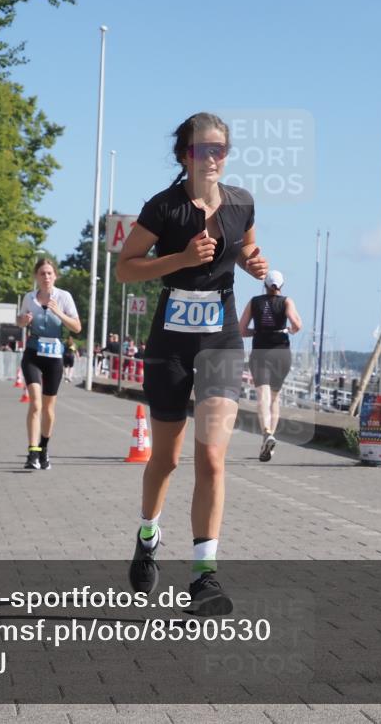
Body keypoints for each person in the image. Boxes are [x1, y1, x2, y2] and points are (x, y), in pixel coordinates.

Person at [116, 112, 268, 616]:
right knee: (166, 459)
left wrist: (253, 264)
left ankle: (204, 576)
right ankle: (148, 533)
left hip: (221, 338)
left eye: (221, 148)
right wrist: (177, 260)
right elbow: (125, 268)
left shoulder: (242, 203)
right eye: (205, 148)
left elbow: (245, 249)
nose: (214, 157)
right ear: (186, 154)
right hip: (170, 342)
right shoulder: (163, 207)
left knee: (213, 458)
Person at [16, 259, 82, 470]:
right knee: (35, 403)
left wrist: (59, 313)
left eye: (49, 273)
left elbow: (77, 327)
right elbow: (19, 321)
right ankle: (32, 452)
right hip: (33, 354)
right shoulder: (29, 298)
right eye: (42, 273)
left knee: (48, 408)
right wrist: (23, 321)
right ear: (36, 276)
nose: (46, 277)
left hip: (54, 357)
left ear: (55, 276)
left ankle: (44, 448)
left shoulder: (64, 297)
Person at [238, 270, 302, 461]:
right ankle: (269, 441)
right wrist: (289, 330)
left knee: (262, 396)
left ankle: (266, 433)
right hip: (282, 353)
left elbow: (242, 329)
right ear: (281, 286)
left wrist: (256, 332)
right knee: (275, 398)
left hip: (260, 352)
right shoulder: (286, 301)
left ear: (264, 285)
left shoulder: (254, 302)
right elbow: (297, 324)